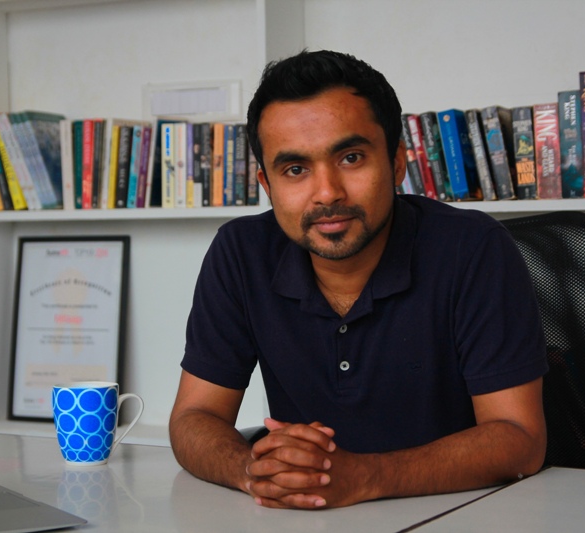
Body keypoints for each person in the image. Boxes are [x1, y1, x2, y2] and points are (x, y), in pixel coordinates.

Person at [169, 50, 548, 510]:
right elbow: (194, 416)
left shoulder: (473, 248)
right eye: (295, 170)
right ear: (267, 186)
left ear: (396, 162)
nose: (327, 192)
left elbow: (520, 438)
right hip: (309, 519)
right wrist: (253, 472)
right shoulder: (241, 252)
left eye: (350, 158)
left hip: (461, 513)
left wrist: (364, 477)